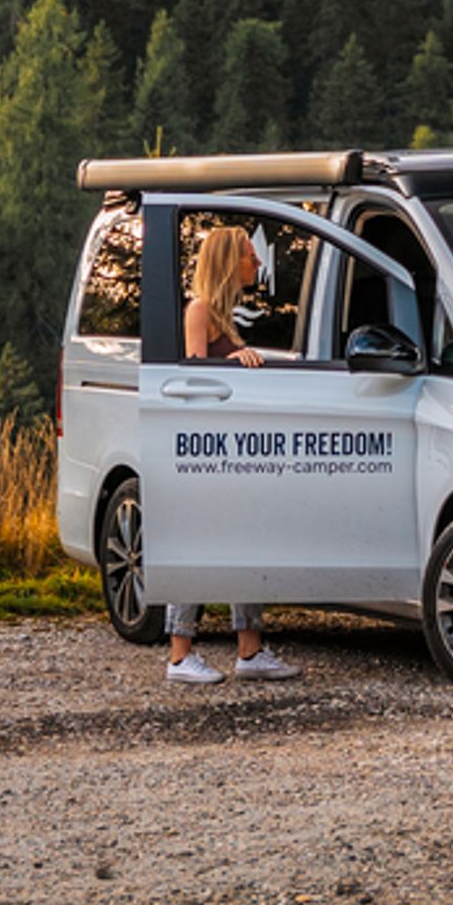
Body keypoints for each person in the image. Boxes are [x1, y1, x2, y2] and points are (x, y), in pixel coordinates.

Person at [165, 221, 304, 687]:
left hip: (231, 450)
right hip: (205, 453)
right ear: (230, 262)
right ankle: (180, 654)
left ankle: (250, 648)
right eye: (250, 255)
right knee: (197, 546)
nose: (258, 262)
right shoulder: (200, 310)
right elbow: (194, 376)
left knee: (243, 540)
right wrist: (231, 362)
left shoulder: (226, 317)